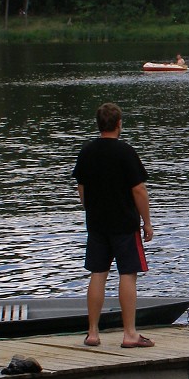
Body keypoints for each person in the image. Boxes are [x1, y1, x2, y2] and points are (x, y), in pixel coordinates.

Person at [72, 103, 155, 348]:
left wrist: (91, 209)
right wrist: (147, 222)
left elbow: (81, 188)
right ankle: (130, 333)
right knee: (127, 274)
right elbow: (138, 190)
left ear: (99, 125)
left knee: (98, 274)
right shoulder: (125, 152)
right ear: (119, 124)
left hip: (97, 224)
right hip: (124, 224)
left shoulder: (86, 151)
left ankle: (93, 332)